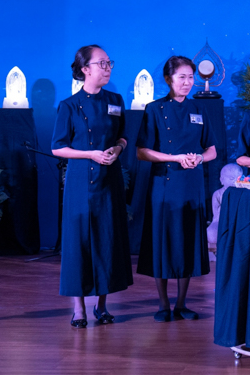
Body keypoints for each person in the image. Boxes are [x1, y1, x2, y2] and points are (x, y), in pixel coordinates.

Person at [51, 45, 133, 328]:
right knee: (79, 242)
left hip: (109, 180)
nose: (108, 67)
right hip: (79, 183)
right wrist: (90, 154)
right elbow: (57, 148)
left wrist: (117, 149)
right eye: (102, 63)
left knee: (107, 239)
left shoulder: (115, 100)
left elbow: (123, 136)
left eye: (109, 62)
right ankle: (78, 308)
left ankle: (102, 305)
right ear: (85, 69)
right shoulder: (69, 106)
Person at [136, 56, 217, 322]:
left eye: (190, 77)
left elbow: (213, 150)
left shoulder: (198, 109)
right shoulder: (154, 109)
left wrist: (199, 158)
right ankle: (163, 304)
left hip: (191, 184)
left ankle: (181, 304)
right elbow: (142, 152)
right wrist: (175, 158)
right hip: (164, 183)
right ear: (169, 79)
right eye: (182, 77)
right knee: (163, 242)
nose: (187, 82)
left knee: (187, 242)